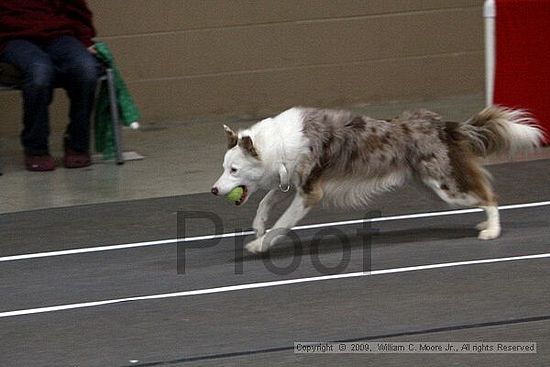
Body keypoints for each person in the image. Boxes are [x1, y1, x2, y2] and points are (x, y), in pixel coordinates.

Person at [0, 0, 101, 171]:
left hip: (59, 35)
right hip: (13, 38)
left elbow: (77, 10)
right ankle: (36, 148)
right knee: (39, 71)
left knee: (87, 69)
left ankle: (77, 143)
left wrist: (85, 41)